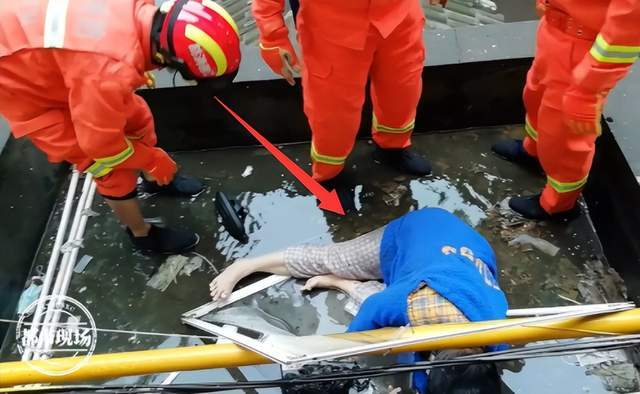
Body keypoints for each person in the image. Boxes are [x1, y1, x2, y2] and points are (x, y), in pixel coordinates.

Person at [0, 0, 241, 253]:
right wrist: (151, 159)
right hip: (24, 89)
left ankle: (156, 182)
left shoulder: (137, 12)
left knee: (138, 118)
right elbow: (102, 147)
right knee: (110, 169)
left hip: (57, 58)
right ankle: (142, 235)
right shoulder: (107, 73)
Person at [210, 207, 507, 393]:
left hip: (466, 252)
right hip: (417, 233)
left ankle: (344, 284)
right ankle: (245, 265)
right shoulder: (412, 305)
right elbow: (355, 343)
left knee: (391, 319)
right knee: (330, 260)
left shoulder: (501, 337)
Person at [251, 0, 448, 191]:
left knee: (402, 91)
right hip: (332, 26)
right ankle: (329, 176)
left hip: (400, 16)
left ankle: (393, 148)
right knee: (332, 111)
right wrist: (272, 36)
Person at [492, 0, 640, 220]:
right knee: (535, 97)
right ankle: (534, 151)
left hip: (585, 53)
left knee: (564, 135)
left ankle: (558, 204)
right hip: (555, 29)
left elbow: (626, 33)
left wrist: (587, 91)